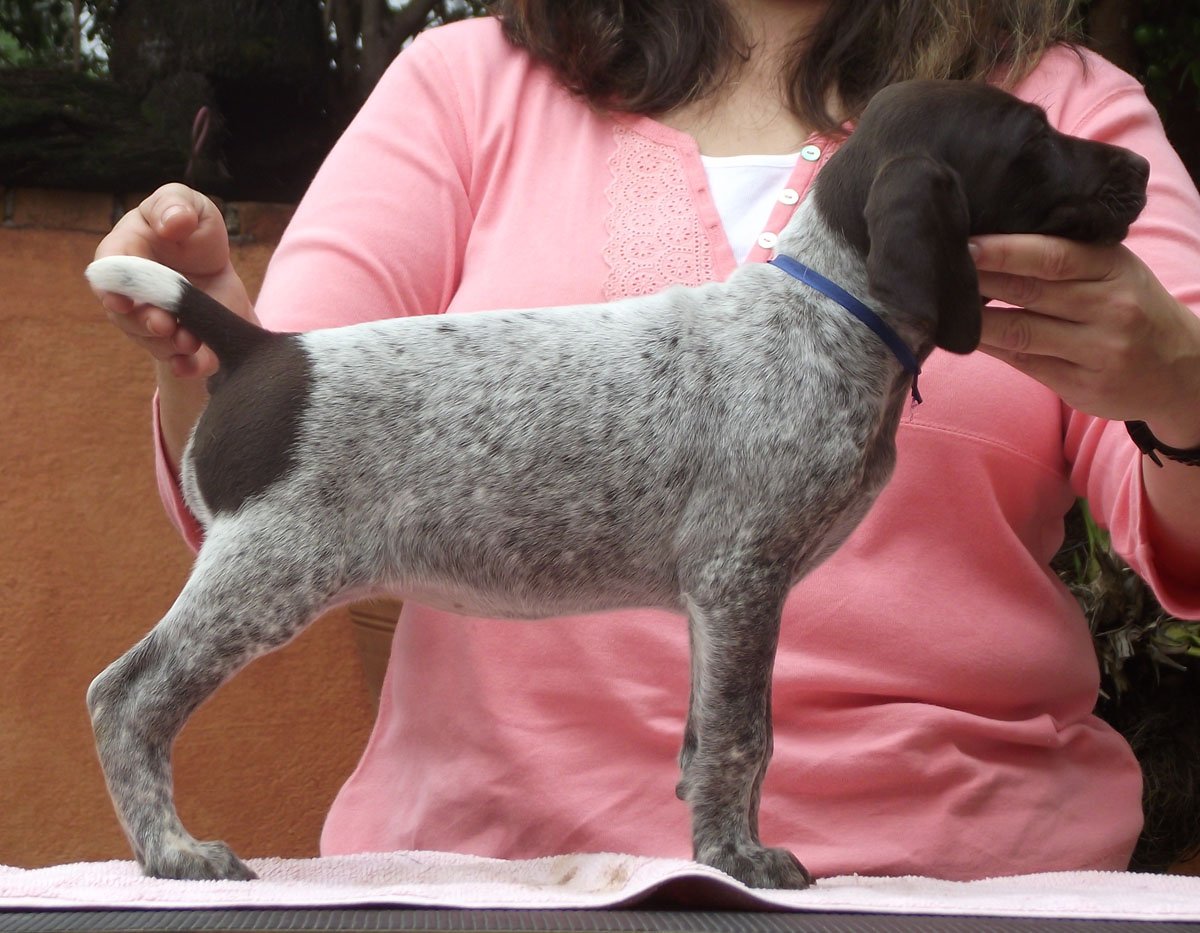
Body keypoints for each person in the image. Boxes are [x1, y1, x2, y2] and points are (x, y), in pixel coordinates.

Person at [92, 0, 1200, 881]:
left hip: (975, 877)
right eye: (1035, 157)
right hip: (480, 878)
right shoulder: (465, 83)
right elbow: (281, 435)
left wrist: (1183, 382)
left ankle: (718, 821)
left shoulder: (1062, 100)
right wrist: (202, 342)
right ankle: (722, 819)